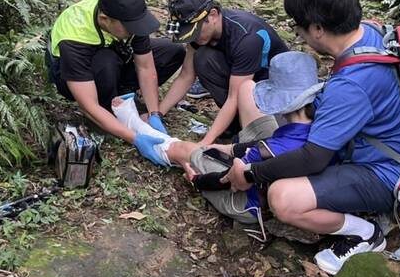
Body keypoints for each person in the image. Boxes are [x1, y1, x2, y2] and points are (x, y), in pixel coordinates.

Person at [223, 0, 400, 274]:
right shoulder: (370, 32)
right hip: (373, 147)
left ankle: (366, 232)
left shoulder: (353, 84)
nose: (298, 35)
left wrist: (251, 173)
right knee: (269, 120)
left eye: (298, 27)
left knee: (282, 198)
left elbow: (314, 158)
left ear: (316, 28)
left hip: (382, 173)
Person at [110, 51, 323, 229]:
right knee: (247, 88)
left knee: (185, 150)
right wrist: (226, 147)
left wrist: (196, 180)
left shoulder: (272, 149)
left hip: (248, 200)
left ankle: (141, 131)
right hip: (275, 160)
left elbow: (226, 180)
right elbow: (262, 148)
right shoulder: (324, 127)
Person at [46, 0, 185, 166]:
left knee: (171, 51)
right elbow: (88, 106)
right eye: (131, 28)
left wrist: (154, 112)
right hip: (73, 76)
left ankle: (121, 95)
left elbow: (145, 67)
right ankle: (108, 110)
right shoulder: (74, 36)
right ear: (105, 19)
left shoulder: (128, 16)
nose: (136, 31)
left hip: (114, 56)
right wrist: (135, 138)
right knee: (105, 61)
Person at [157, 0, 289, 144]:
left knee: (270, 140)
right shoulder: (202, 35)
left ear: (213, 15)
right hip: (243, 79)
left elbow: (235, 96)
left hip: (276, 92)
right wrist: (157, 114)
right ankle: (233, 125)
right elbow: (186, 75)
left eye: (195, 32)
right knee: (202, 58)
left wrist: (205, 143)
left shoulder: (246, 37)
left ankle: (246, 130)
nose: (194, 38)